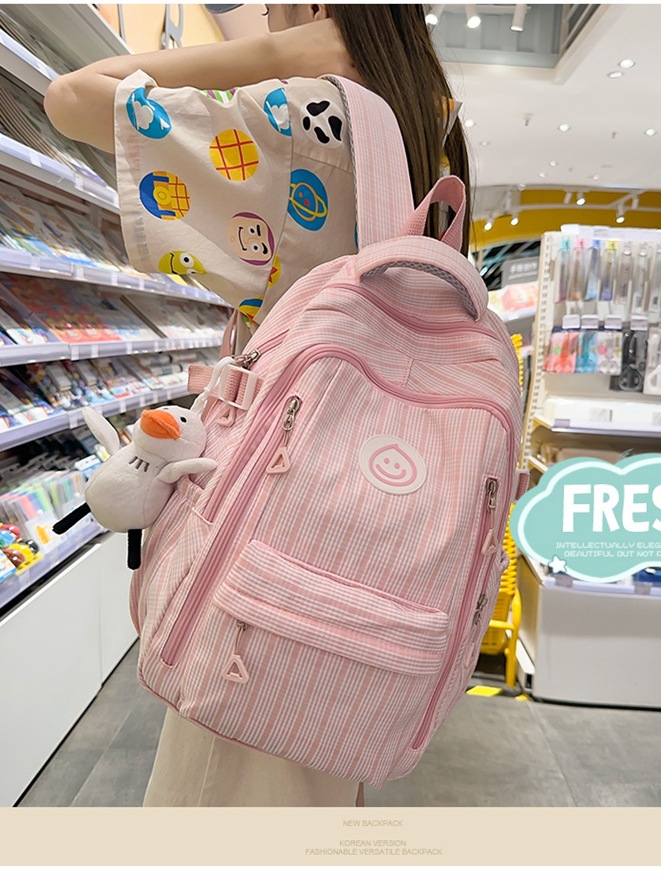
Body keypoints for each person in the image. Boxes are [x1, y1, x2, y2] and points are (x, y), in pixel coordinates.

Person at [45, 3, 471, 807]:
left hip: (275, 541)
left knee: (232, 786)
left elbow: (73, 97)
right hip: (379, 537)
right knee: (317, 771)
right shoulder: (431, 120)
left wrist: (280, 52)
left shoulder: (304, 117)